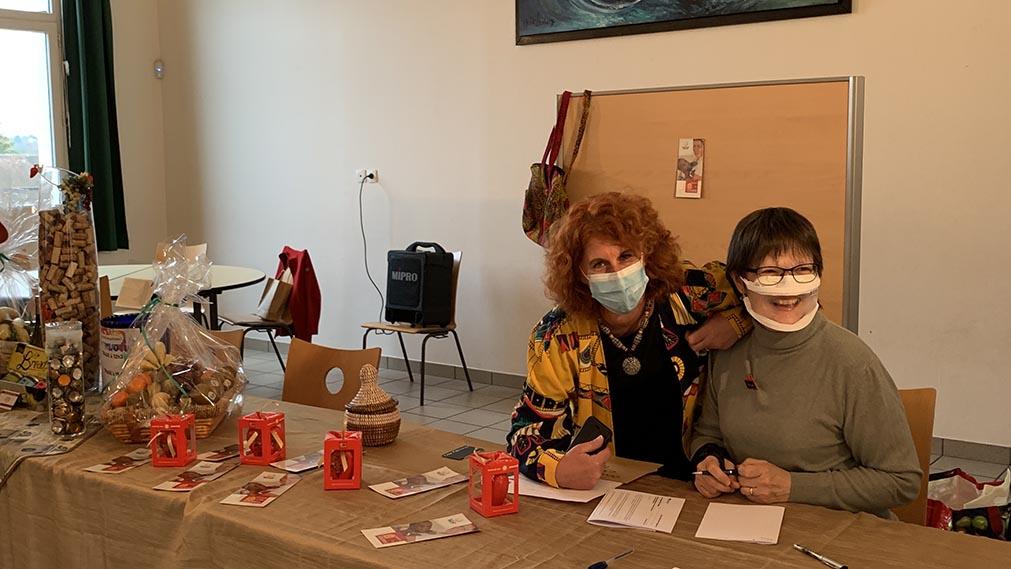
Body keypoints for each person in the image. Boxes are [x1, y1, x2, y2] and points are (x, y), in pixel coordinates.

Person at [507, 192, 751, 490]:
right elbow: (525, 434)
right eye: (599, 264)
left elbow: (773, 296)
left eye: (626, 256)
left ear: (646, 254)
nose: (618, 274)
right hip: (608, 484)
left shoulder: (690, 292)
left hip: (696, 476)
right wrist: (558, 470)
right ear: (580, 274)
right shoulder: (556, 336)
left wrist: (738, 322)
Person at [690, 207, 921, 518]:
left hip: (839, 529)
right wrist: (708, 462)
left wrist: (794, 487)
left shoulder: (852, 363)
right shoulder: (727, 351)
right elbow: (708, 433)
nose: (789, 288)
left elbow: (901, 481)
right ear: (740, 281)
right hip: (748, 522)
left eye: (802, 270)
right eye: (770, 272)